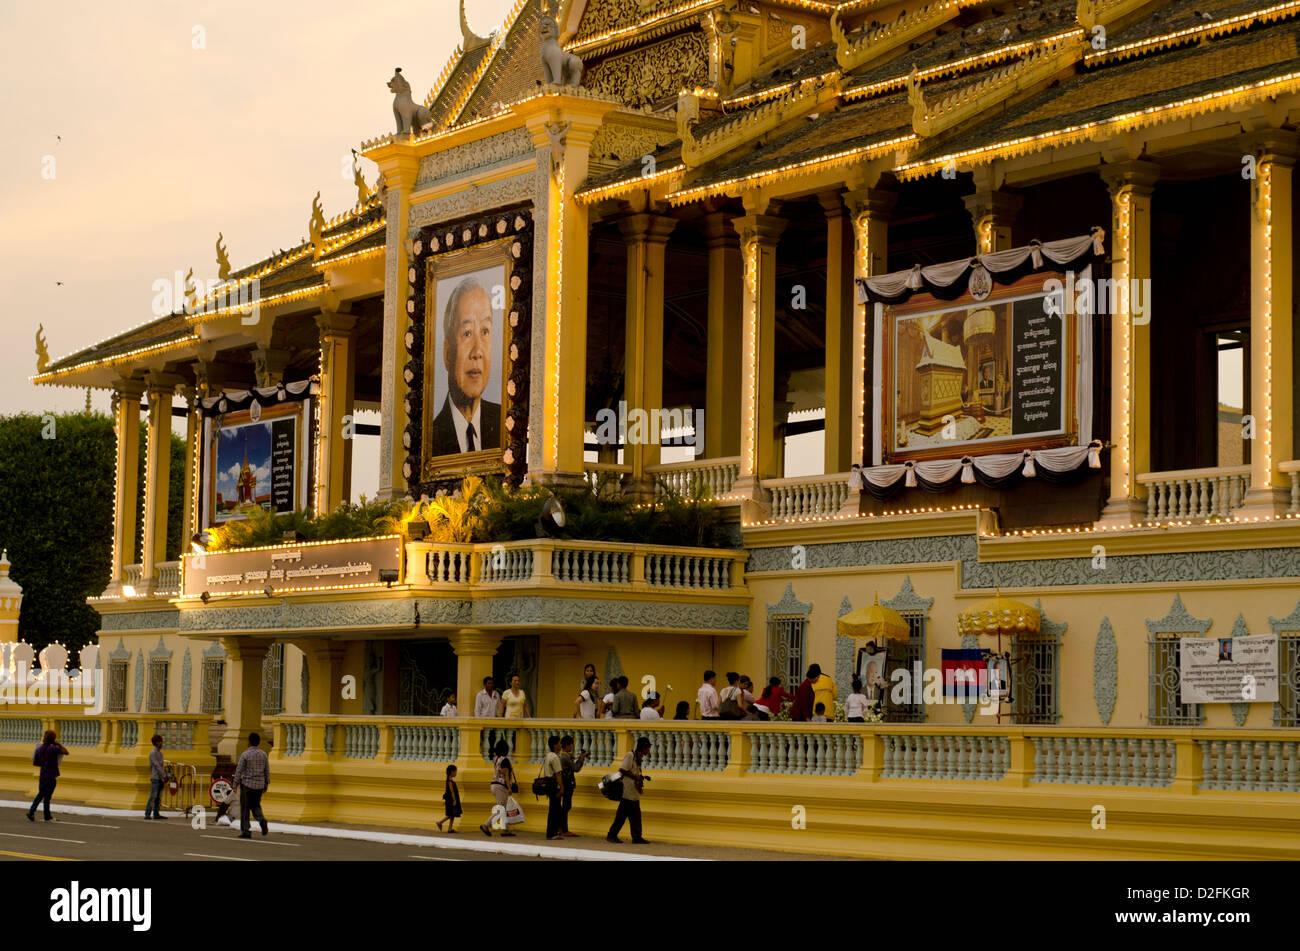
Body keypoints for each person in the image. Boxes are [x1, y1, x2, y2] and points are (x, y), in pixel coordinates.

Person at [430, 277, 501, 455]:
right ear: (447, 354)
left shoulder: (506, 425)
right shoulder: (430, 440)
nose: (477, 351)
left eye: (485, 331)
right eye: (467, 333)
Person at [606, 736, 651, 845]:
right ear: (643, 747)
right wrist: (636, 777)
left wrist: (640, 781)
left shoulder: (638, 758)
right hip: (627, 792)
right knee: (622, 817)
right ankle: (612, 835)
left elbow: (635, 773)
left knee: (635, 816)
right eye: (647, 748)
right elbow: (622, 770)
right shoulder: (630, 755)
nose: (648, 751)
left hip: (633, 793)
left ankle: (636, 837)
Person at [232, 732, 270, 839]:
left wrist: (235, 785)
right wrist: (266, 783)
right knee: (256, 806)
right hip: (259, 786)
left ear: (249, 742)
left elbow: (239, 771)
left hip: (247, 785)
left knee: (245, 808)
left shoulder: (245, 754)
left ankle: (246, 831)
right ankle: (261, 819)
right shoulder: (263, 754)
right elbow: (267, 770)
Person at [27, 729, 69, 822]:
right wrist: (58, 744)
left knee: (40, 794)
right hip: (51, 776)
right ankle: (47, 816)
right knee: (47, 797)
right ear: (53, 739)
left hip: (42, 775)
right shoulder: (53, 748)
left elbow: (36, 761)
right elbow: (66, 752)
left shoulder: (40, 748)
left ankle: (31, 811)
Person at [480, 739, 517, 837]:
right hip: (501, 786)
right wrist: (509, 788)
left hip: (494, 785)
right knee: (501, 809)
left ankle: (505, 829)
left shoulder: (496, 759)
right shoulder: (505, 760)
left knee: (502, 808)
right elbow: (506, 775)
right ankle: (486, 824)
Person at [558, 736, 586, 837]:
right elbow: (576, 768)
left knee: (564, 806)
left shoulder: (564, 756)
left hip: (565, 783)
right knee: (566, 806)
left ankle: (560, 828)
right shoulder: (565, 757)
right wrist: (582, 758)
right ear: (567, 746)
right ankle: (563, 829)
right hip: (567, 784)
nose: (572, 747)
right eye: (571, 745)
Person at [543, 735, 565, 840]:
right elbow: (558, 774)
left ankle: (552, 832)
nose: (560, 745)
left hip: (548, 784)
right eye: (559, 743)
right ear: (555, 745)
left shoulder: (548, 755)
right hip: (554, 784)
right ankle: (552, 833)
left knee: (553, 809)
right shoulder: (555, 757)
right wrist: (561, 788)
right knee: (555, 809)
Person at [144, 733, 167, 820]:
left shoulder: (160, 754)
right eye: (159, 742)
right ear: (155, 743)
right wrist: (164, 775)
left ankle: (156, 813)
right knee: (153, 796)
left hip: (160, 777)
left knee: (158, 797)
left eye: (161, 742)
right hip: (155, 778)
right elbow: (157, 766)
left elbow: (161, 766)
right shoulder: (152, 753)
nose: (161, 743)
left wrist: (165, 775)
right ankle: (147, 813)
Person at [436, 764, 462, 832]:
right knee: (450, 814)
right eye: (455, 771)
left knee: (453, 814)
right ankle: (440, 822)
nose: (456, 773)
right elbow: (452, 791)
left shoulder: (449, 780)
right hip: (451, 799)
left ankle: (450, 828)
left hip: (450, 799)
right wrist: (454, 800)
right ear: (452, 772)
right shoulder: (450, 781)